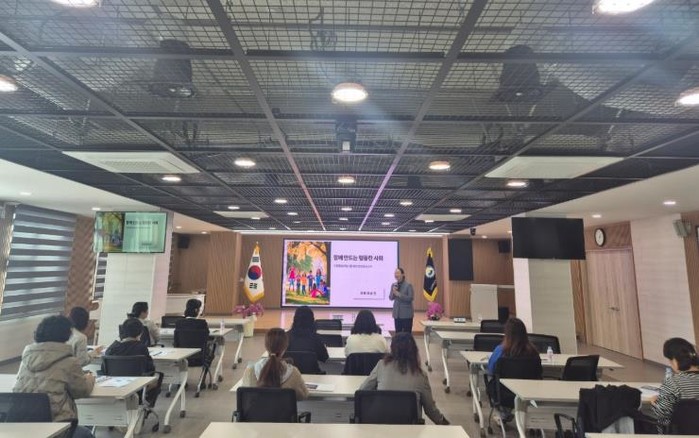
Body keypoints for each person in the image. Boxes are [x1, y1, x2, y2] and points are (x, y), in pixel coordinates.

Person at [14, 315, 95, 438]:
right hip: (57, 425)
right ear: (66, 334)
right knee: (86, 434)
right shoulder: (69, 362)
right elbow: (81, 391)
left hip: (24, 425)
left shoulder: (26, 359)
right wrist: (90, 378)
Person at [359, 332, 448, 425]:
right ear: (414, 350)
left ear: (392, 348)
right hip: (410, 428)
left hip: (382, 425)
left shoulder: (381, 365)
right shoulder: (420, 375)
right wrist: (445, 423)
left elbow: (363, 390)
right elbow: (430, 410)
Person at [104, 318, 163, 407]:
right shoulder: (141, 348)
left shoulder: (112, 348)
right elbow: (150, 369)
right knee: (157, 379)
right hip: (137, 387)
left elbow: (104, 370)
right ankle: (145, 407)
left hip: (113, 388)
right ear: (140, 332)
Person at [241, 328, 308, 400]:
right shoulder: (293, 373)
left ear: (266, 347)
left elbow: (244, 395)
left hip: (256, 407)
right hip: (282, 407)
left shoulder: (250, 371)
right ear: (285, 348)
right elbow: (303, 396)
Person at [651, 337, 699, 430]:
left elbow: (662, 413)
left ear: (674, 361)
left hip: (679, 433)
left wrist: (655, 403)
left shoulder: (673, 382)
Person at [390, 267, 414, 333]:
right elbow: (391, 298)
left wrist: (398, 294)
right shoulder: (393, 285)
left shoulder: (408, 285)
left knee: (407, 334)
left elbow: (410, 298)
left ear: (403, 274)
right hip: (396, 314)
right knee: (398, 333)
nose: (396, 275)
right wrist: (393, 292)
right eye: (395, 273)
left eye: (398, 273)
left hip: (406, 314)